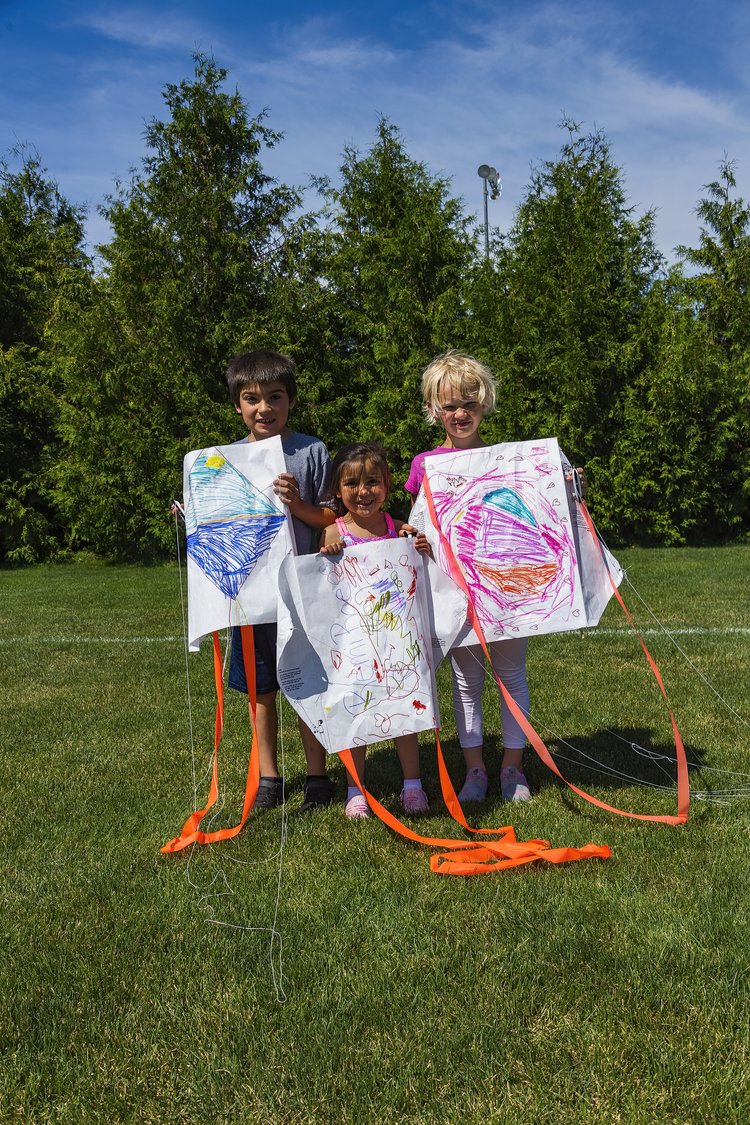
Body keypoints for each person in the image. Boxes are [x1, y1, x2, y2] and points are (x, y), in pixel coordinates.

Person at [405, 351, 533, 806]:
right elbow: (417, 521)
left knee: (511, 674)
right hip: (453, 589)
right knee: (466, 681)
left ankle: (513, 768)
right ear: (433, 410)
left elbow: (531, 511)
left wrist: (565, 483)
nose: (460, 414)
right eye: (449, 406)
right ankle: (475, 769)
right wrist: (415, 538)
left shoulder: (509, 460)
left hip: (504, 587)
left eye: (469, 404)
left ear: (485, 405)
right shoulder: (425, 464)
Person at [226, 349, 337, 812]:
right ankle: (269, 777)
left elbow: (331, 518)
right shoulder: (226, 460)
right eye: (252, 399)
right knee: (261, 688)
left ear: (290, 400)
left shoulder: (311, 451)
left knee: (309, 680)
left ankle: (317, 776)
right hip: (251, 594)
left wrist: (298, 505)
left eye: (274, 397)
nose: (264, 408)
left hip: (302, 591)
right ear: (238, 405)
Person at [320, 442, 433, 820]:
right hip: (354, 644)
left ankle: (412, 785)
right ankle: (355, 790)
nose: (363, 491)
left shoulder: (398, 528)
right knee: (354, 710)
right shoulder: (332, 533)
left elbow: (419, 569)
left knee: (405, 708)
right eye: (352, 483)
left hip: (397, 641)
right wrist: (329, 555)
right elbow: (325, 586)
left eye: (372, 481)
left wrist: (419, 545)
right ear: (338, 491)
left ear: (387, 484)